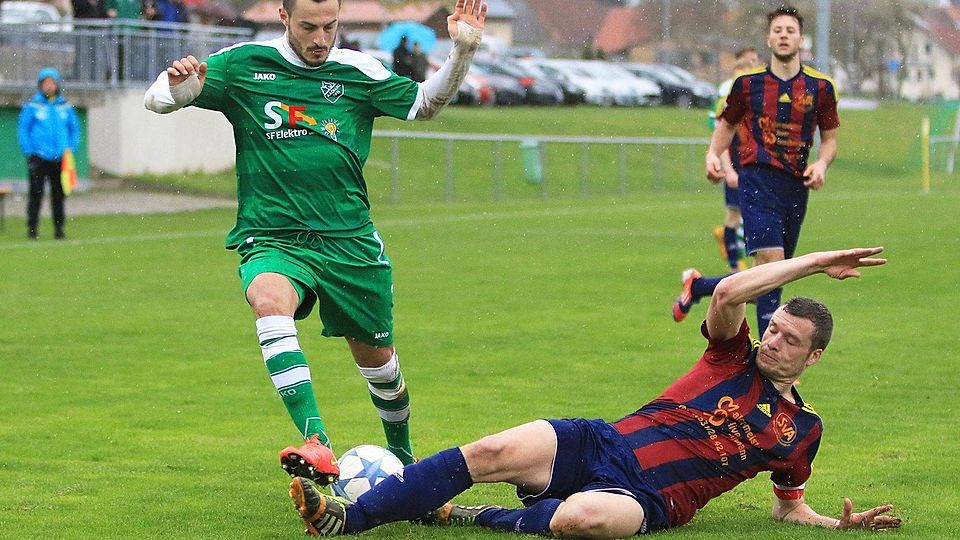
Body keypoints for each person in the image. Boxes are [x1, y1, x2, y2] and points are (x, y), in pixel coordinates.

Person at [288, 246, 901, 537]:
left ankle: (472, 514)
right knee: (492, 452)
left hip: (651, 498)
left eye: (790, 340)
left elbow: (786, 504)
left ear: (814, 356)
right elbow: (724, 295)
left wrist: (833, 525)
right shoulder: (729, 354)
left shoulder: (803, 431)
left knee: (582, 519)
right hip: (600, 441)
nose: (772, 342)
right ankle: (349, 518)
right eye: (773, 328)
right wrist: (813, 263)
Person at [143, 0, 487, 485]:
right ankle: (317, 443)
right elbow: (156, 98)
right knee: (268, 299)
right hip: (274, 235)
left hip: (348, 241)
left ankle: (405, 462)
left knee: (378, 362)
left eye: (330, 26)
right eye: (309, 27)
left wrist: (463, 52)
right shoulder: (245, 65)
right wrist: (181, 90)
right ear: (284, 18)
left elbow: (423, 104)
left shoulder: (355, 71)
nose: (321, 38)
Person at [674, 6, 839, 338]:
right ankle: (766, 354)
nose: (783, 35)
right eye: (777, 30)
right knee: (773, 264)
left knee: (772, 274)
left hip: (795, 186)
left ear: (800, 39)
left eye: (790, 30)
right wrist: (713, 154)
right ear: (769, 38)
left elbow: (831, 138)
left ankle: (700, 286)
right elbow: (727, 125)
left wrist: (820, 164)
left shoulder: (820, 88)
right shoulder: (747, 84)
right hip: (756, 180)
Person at [707, 47, 760, 274]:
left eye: (755, 60)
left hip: (755, 164)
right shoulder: (728, 92)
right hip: (737, 163)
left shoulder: (762, 87)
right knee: (736, 213)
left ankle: (746, 260)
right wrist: (728, 169)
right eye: (746, 62)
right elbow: (721, 131)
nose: (752, 65)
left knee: (752, 214)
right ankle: (734, 265)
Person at [17, 68, 80, 240]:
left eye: (52, 83)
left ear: (57, 85)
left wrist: (70, 148)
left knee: (58, 196)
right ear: (40, 85)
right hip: (39, 157)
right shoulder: (33, 105)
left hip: (60, 157)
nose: (49, 86)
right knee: (35, 194)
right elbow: (23, 129)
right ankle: (32, 229)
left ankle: (59, 230)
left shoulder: (64, 106)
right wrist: (29, 151)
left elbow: (74, 129)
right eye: (45, 83)